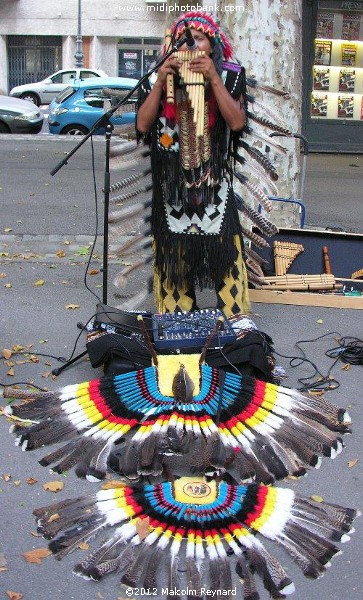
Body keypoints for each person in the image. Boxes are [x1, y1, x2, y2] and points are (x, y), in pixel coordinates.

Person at [136, 11, 250, 317]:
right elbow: (143, 125)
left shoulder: (229, 74)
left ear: (212, 46)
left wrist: (212, 77)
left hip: (213, 185)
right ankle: (178, 326)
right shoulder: (156, 76)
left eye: (198, 39)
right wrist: (161, 81)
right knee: (174, 263)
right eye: (183, 41)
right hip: (171, 186)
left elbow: (237, 123)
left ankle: (234, 324)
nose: (190, 46)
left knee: (227, 258)